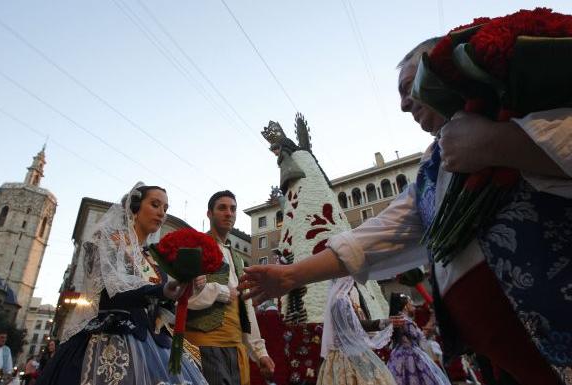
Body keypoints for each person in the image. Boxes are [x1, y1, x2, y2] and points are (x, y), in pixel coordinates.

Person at [239, 36, 572, 385]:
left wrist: (497, 143)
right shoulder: (433, 167)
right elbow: (374, 237)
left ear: (446, 73)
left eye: (408, 88)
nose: (402, 105)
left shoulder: (527, 113)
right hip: (510, 357)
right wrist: (291, 276)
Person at [37, 182, 207, 385]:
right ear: (135, 207)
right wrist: (162, 290)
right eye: (155, 204)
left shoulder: (152, 258)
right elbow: (114, 290)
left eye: (165, 208)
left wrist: (187, 289)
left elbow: (161, 306)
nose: (162, 213)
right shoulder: (108, 241)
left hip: (151, 339)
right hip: (112, 334)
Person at [184, 190, 275, 385]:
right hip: (205, 347)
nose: (229, 213)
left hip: (235, 349)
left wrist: (260, 353)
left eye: (233, 209)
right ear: (209, 214)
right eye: (222, 208)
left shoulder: (238, 259)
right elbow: (186, 296)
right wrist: (222, 292)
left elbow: (246, 307)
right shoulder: (194, 247)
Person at [318, 277, 397, 385]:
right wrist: (384, 323)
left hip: (347, 349)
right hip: (348, 351)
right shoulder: (341, 301)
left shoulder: (341, 299)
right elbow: (354, 325)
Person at [386, 293, 450, 385]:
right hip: (410, 354)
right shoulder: (404, 320)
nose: (413, 304)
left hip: (403, 352)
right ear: (405, 306)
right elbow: (417, 336)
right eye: (410, 303)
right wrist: (431, 321)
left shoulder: (403, 319)